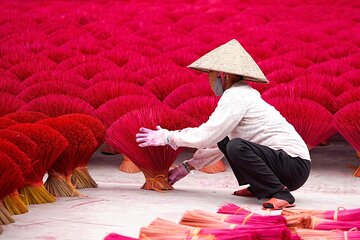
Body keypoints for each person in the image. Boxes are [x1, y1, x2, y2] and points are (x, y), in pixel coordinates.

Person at [136, 39, 311, 210]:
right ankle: (260, 187)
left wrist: (168, 137)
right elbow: (218, 142)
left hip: (294, 166)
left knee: (236, 146)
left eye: (211, 75)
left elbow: (206, 136)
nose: (210, 81)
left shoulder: (236, 96)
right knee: (228, 142)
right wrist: (187, 167)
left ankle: (280, 193)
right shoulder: (242, 94)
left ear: (223, 75)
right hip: (289, 166)